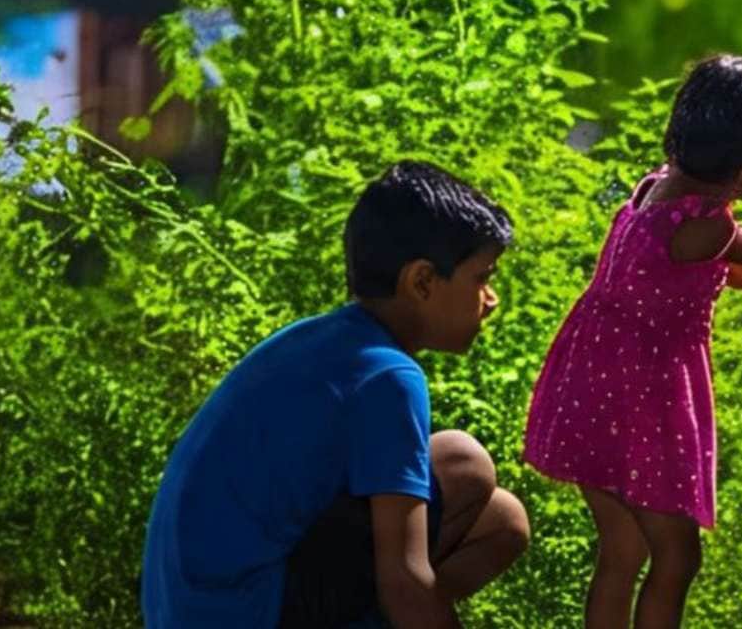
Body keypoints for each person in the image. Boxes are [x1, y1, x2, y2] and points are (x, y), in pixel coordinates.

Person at [523, 52, 742, 629]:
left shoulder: (656, 192)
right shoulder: (707, 225)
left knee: (622, 552)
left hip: (593, 389)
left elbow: (737, 268)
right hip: (641, 402)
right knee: (676, 555)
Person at [142, 161, 530, 628]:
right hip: (244, 610)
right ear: (422, 281)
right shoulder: (387, 377)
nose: (490, 299)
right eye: (480, 278)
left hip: (195, 607)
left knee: (502, 521)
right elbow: (404, 580)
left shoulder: (327, 340)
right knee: (463, 463)